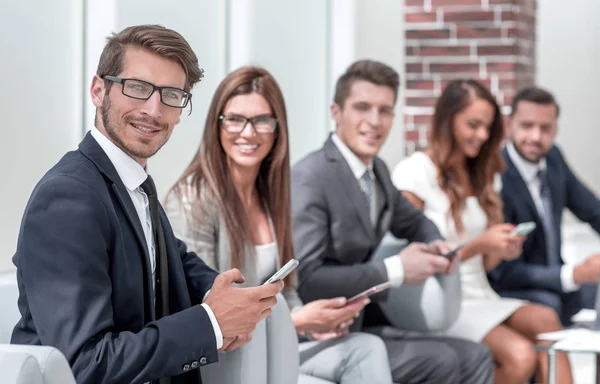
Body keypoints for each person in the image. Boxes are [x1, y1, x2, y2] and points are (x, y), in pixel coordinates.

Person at [10, 25, 282, 384]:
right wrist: (212, 323)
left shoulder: (134, 184)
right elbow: (83, 365)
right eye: (137, 88)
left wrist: (231, 296)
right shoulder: (68, 196)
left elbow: (175, 262)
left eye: (171, 95)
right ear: (98, 90)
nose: (153, 110)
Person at [165, 65, 394, 384]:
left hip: (275, 345)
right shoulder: (193, 197)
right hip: (226, 356)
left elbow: (289, 292)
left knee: (367, 348)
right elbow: (198, 307)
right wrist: (297, 322)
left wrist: (315, 321)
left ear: (277, 129)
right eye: (234, 119)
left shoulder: (272, 195)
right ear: (217, 125)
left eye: (261, 120)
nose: (248, 132)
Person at [291, 59, 494, 384]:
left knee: (476, 356)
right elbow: (308, 278)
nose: (374, 121)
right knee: (442, 360)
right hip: (316, 335)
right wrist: (397, 270)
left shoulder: (379, 173)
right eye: (362, 107)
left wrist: (437, 243)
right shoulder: (311, 177)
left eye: (384, 110)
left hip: (363, 322)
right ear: (336, 112)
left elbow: (415, 223)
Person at [392, 79, 572, 384]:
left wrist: (499, 250)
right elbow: (414, 262)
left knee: (546, 320)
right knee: (521, 355)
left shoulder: (483, 173)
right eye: (473, 125)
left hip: (481, 294)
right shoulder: (413, 173)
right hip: (442, 301)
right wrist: (479, 244)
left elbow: (486, 265)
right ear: (447, 121)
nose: (483, 135)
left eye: (488, 127)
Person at [488, 86, 600, 326]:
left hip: (554, 277)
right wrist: (575, 274)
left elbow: (593, 211)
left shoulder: (553, 159)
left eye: (545, 128)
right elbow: (504, 271)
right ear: (510, 125)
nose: (536, 137)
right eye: (527, 126)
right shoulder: (495, 174)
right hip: (511, 285)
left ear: (556, 129)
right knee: (550, 305)